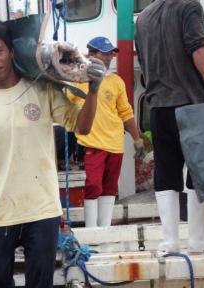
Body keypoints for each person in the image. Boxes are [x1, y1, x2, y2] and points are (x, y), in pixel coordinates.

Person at [0, 18, 105, 288]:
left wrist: (93, 91)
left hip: (42, 210)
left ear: (12, 51)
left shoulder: (42, 88)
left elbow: (81, 126)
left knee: (41, 283)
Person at [135, 0, 204, 252]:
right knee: (200, 171)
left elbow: (143, 64)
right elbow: (198, 47)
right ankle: (198, 239)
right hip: (192, 103)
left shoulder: (142, 18)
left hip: (159, 109)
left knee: (165, 172)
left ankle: (170, 241)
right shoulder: (189, 6)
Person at [68, 37, 144, 227]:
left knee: (110, 189)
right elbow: (66, 106)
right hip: (91, 142)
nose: (109, 57)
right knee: (93, 185)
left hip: (115, 144)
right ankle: (92, 230)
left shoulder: (116, 81)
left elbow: (125, 112)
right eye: (104, 53)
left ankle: (105, 229)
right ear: (91, 54)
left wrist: (137, 139)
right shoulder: (77, 79)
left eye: (111, 53)